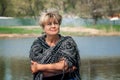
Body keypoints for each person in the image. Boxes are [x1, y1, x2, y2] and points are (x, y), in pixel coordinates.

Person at [29, 9, 81, 80]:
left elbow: (64, 65)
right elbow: (36, 72)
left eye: (56, 23)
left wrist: (39, 67)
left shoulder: (67, 42)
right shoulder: (37, 44)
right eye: (49, 24)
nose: (53, 26)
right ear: (43, 28)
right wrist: (67, 70)